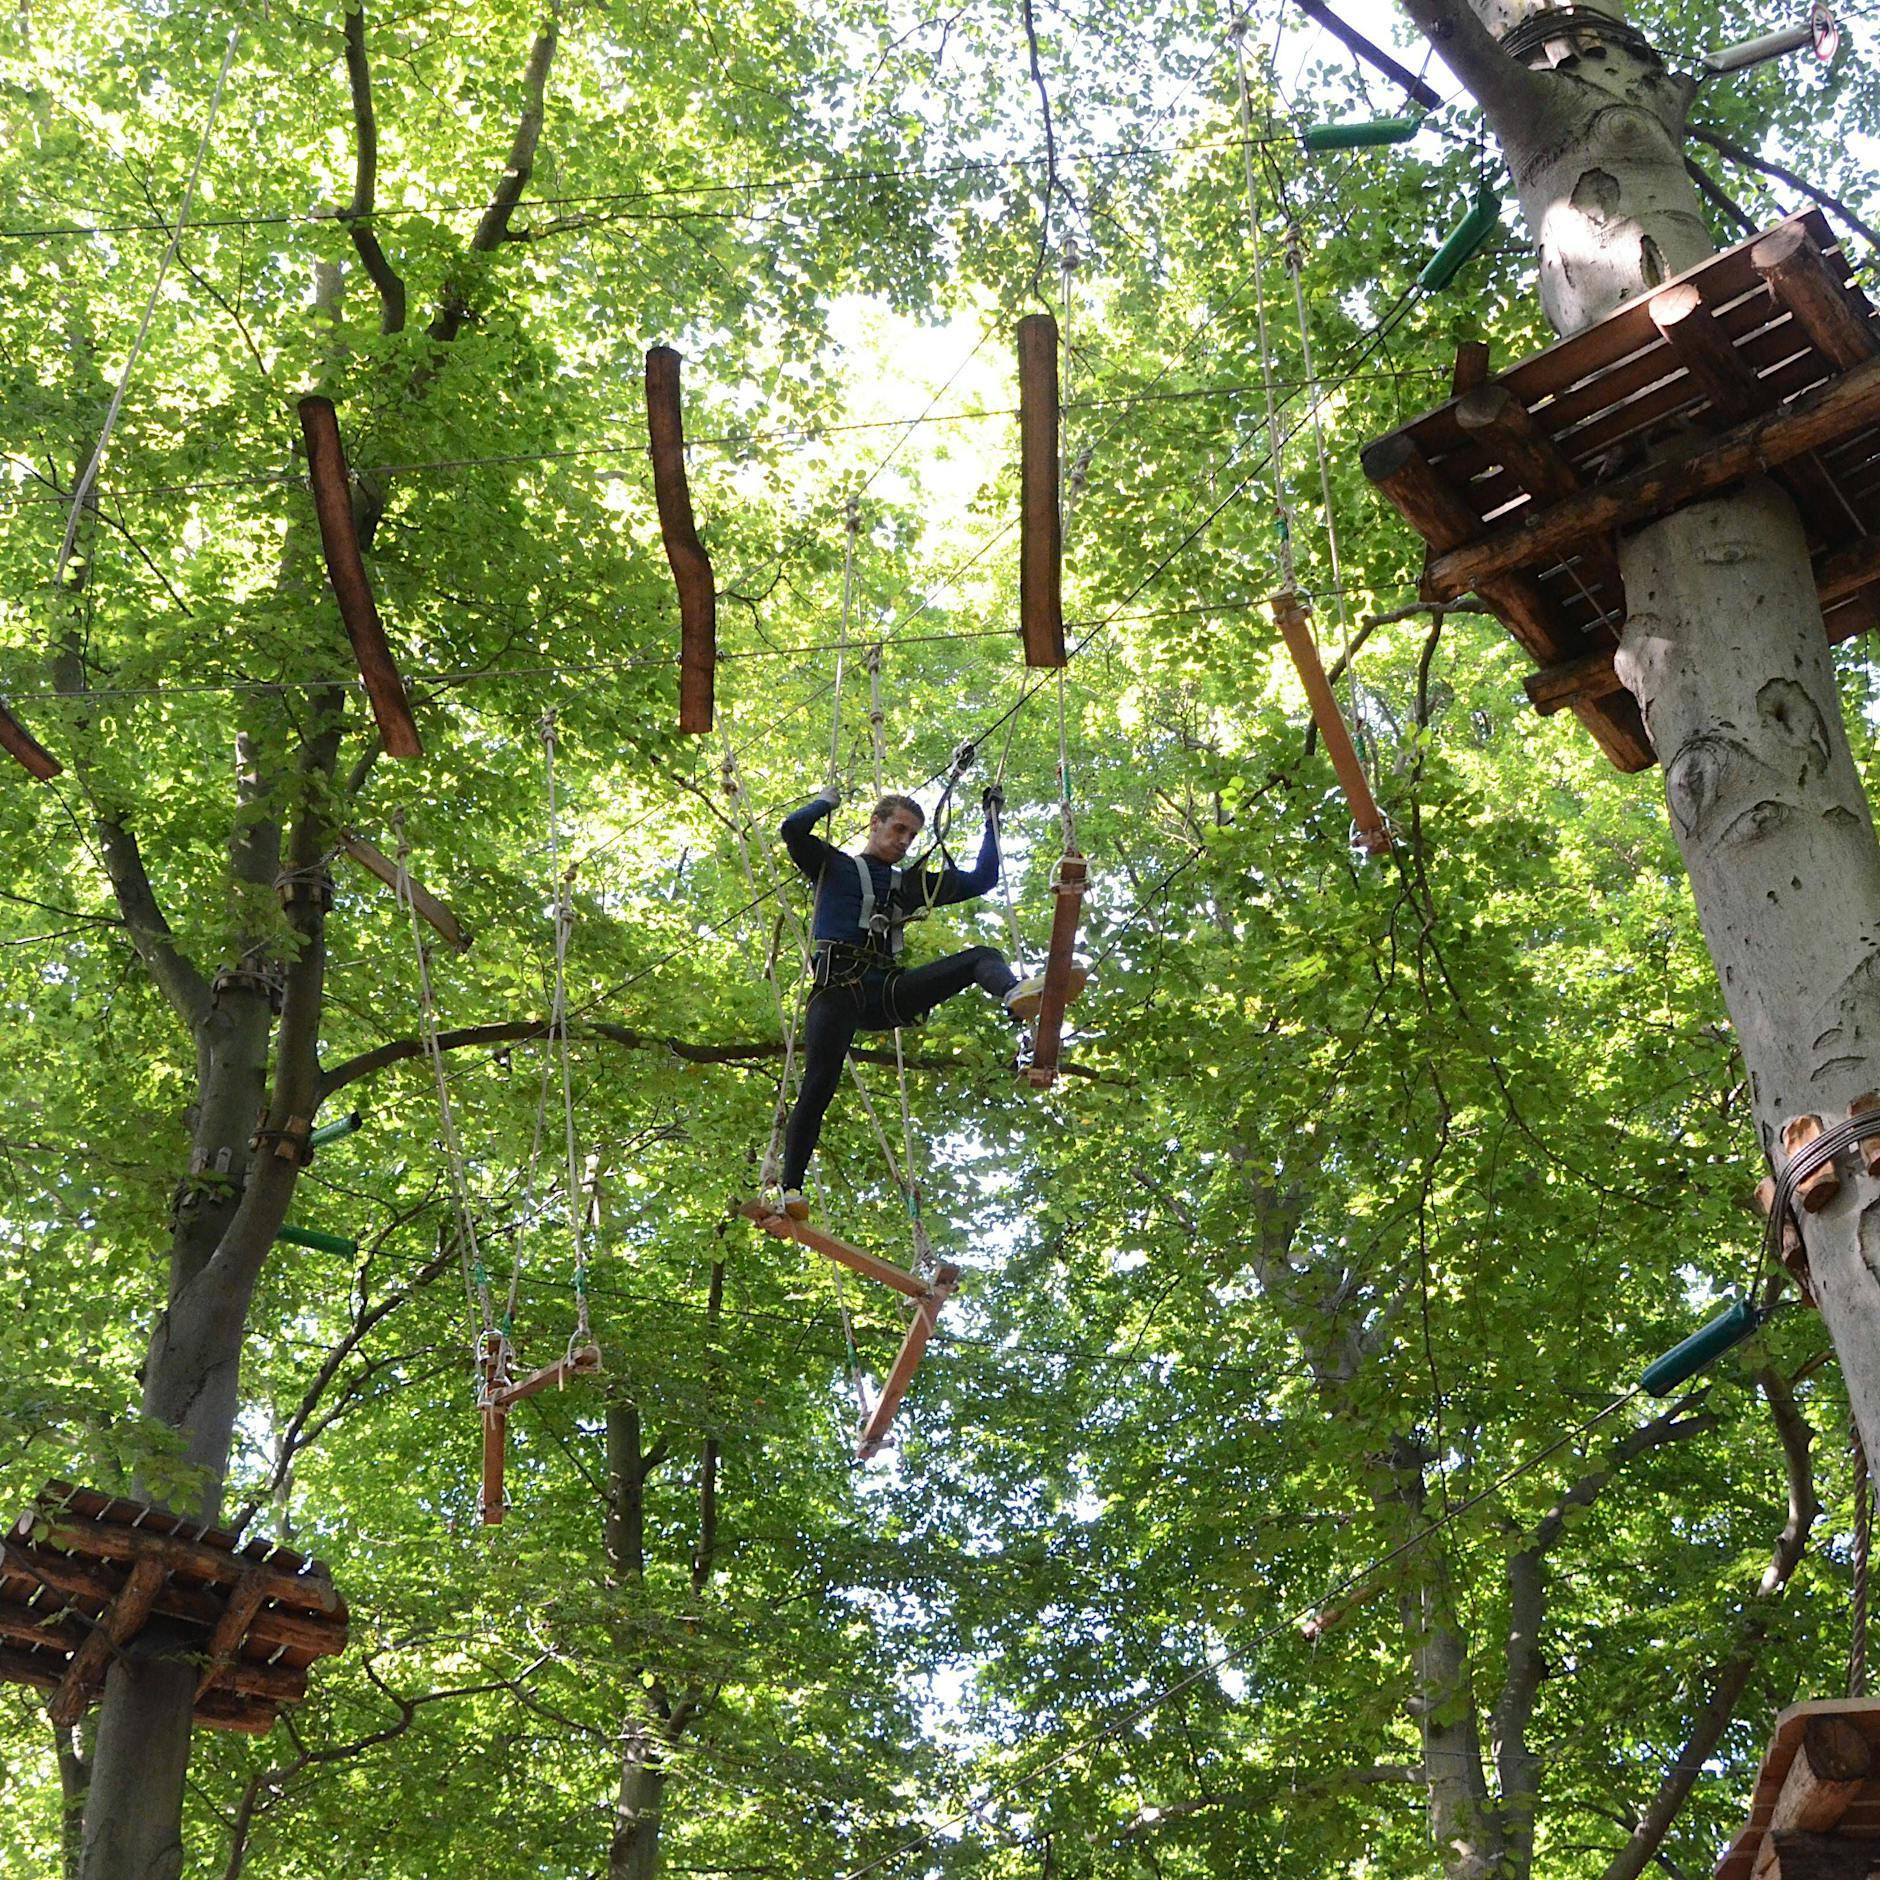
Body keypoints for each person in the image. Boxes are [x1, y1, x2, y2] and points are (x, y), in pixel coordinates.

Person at [769, 782, 1057, 1220]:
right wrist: (825, 802)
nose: (904, 842)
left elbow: (982, 879)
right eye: (899, 829)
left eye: (912, 836)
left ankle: (1013, 993)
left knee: (980, 957)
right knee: (818, 1085)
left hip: (887, 992)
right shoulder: (832, 866)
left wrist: (991, 822)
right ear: (876, 824)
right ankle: (790, 1188)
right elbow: (792, 830)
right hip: (838, 990)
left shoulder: (911, 884)